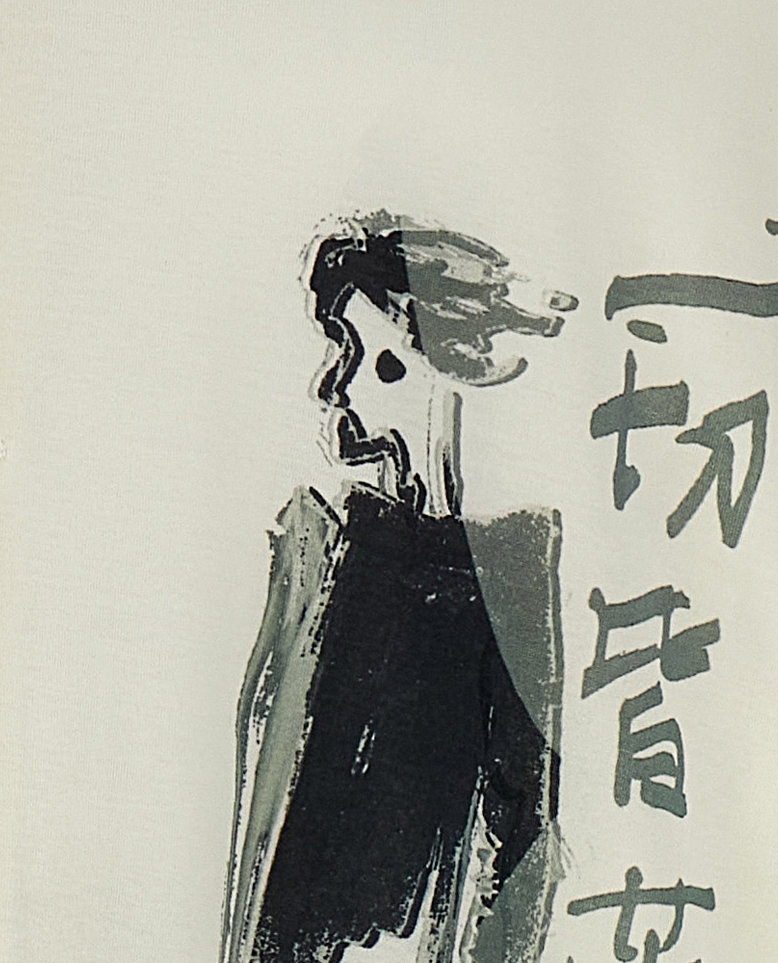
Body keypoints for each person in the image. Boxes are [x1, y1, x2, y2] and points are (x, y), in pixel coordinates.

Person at [221, 213, 578, 963]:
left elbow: (521, 847)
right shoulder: (314, 541)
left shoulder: (505, 573)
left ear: (453, 383)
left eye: (375, 363)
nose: (336, 387)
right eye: (336, 350)